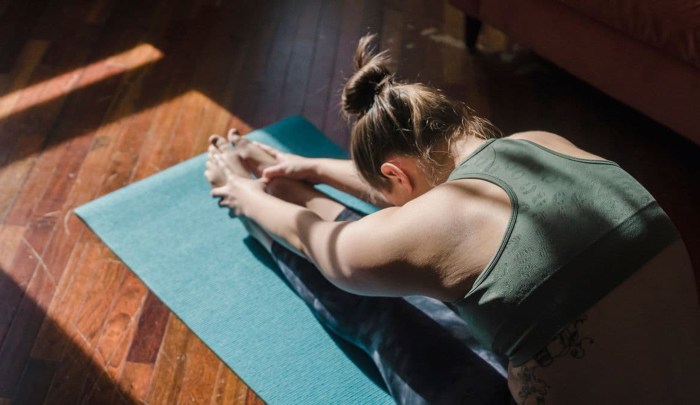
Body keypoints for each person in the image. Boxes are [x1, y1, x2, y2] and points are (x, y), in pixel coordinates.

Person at [205, 35, 700, 404]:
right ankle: (290, 187)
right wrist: (311, 168)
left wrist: (242, 194)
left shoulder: (443, 221)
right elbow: (420, 195)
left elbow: (327, 248)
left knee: (388, 312)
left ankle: (274, 203)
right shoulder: (541, 144)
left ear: (395, 174)